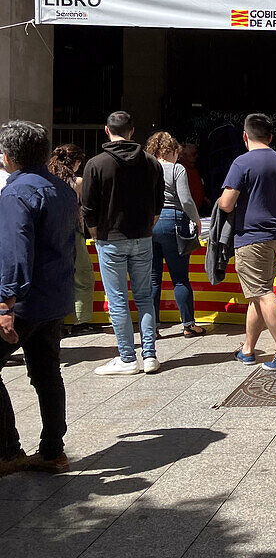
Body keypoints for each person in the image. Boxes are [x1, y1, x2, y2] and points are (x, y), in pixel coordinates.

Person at [0, 121, 78, 476]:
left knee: (45, 372)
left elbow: (15, 252)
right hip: (54, 296)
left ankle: (9, 450)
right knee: (47, 372)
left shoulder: (17, 193)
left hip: (26, 301)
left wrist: (5, 303)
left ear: (8, 157)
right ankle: (51, 450)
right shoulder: (61, 188)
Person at [83, 111, 164, 375]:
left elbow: (88, 207)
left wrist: (95, 234)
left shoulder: (96, 164)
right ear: (131, 131)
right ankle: (150, 355)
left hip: (110, 238)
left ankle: (127, 357)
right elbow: (158, 202)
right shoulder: (151, 162)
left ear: (107, 130)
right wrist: (149, 225)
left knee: (117, 299)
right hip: (142, 236)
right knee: (144, 297)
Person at [218, 113, 276, 371]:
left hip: (252, 237)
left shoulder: (242, 163)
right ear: (271, 136)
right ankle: (248, 349)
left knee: (262, 292)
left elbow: (226, 203)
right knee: (257, 292)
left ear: (245, 136)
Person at [145, 132, 205, 337]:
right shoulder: (176, 169)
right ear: (171, 151)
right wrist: (196, 219)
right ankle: (188, 325)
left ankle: (151, 328)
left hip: (149, 224)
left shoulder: (146, 167)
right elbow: (186, 200)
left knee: (153, 279)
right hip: (173, 222)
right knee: (180, 278)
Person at [46, 144, 97, 336]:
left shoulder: (47, 179)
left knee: (55, 278)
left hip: (50, 234)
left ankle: (56, 321)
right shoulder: (77, 181)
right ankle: (80, 320)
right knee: (83, 276)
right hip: (73, 233)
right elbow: (86, 206)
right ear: (75, 162)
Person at [180, 142, 207, 214]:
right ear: (184, 156)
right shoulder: (180, 171)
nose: (196, 157)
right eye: (193, 154)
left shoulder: (194, 170)